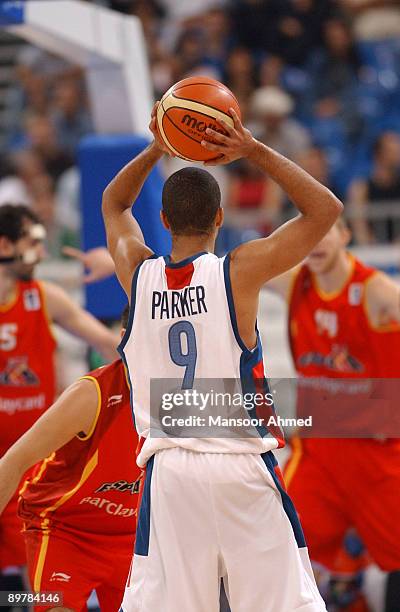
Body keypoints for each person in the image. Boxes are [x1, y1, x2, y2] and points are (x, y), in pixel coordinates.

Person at [101, 102, 342, 611]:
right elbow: (325, 210)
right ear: (220, 217)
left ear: (163, 219)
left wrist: (155, 148)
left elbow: (114, 205)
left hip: (170, 473)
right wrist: (251, 149)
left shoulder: (137, 276)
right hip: (240, 466)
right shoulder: (239, 273)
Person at [266, 218, 400, 610]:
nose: (317, 243)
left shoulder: (374, 290)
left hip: (377, 458)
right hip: (319, 458)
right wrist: (148, 265)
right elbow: (227, 269)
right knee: (272, 544)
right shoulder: (295, 283)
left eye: (327, 232)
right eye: (309, 234)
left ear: (345, 235)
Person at [0, 204, 118, 598]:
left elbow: (108, 342)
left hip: (30, 462)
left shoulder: (44, 297)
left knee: (29, 583)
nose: (42, 251)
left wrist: (122, 271)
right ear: (5, 245)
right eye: (33, 243)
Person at [0, 306, 142, 612]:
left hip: (135, 536)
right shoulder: (92, 394)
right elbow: (13, 461)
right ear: (126, 340)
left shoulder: (188, 397)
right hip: (66, 531)